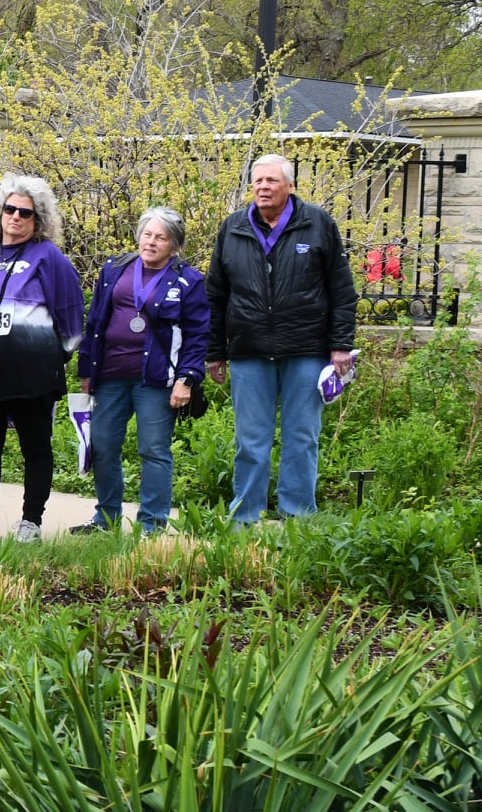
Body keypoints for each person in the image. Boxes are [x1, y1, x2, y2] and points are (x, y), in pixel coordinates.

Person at [205, 153, 357, 523]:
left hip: (306, 350)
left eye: (271, 181)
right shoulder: (234, 227)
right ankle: (244, 517)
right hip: (249, 350)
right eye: (257, 181)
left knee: (302, 437)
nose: (263, 187)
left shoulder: (317, 224)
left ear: (290, 186)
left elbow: (342, 289)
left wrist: (341, 345)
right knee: (250, 441)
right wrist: (214, 351)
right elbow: (215, 295)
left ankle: (298, 517)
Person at [72, 207, 210, 534]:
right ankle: (106, 520)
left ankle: (152, 525)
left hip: (157, 380)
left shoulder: (188, 280)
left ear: (174, 245)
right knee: (103, 446)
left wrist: (187, 380)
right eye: (147, 234)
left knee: (153, 451)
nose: (151, 242)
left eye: (160, 237)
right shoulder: (114, 269)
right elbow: (94, 323)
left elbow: (198, 333)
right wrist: (86, 371)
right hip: (110, 376)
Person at [0, 175, 82, 543]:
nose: (15, 217)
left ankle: (31, 521)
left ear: (38, 219)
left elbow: (72, 316)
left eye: (25, 213)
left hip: (33, 370)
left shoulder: (49, 257)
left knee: (35, 447)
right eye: (10, 209)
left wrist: (55, 355)